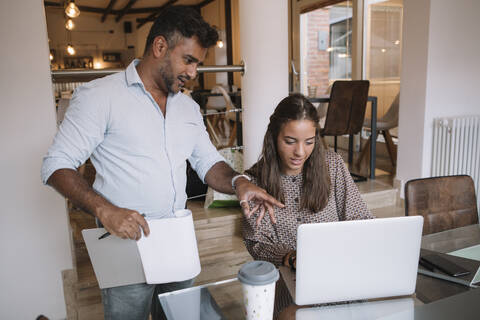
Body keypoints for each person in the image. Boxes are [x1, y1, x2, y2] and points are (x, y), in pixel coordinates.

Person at [41, 6, 282, 320]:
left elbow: (208, 162)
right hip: (123, 241)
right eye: (189, 60)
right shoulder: (100, 96)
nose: (194, 72)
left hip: (176, 239)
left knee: (182, 316)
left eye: (198, 63)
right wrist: (104, 210)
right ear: (159, 47)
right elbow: (56, 165)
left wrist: (240, 183)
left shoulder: (188, 106)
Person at [242, 93, 374, 315]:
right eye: (290, 141)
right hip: (288, 279)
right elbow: (257, 244)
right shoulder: (255, 182)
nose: (300, 152)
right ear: (274, 137)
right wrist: (290, 257)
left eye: (309, 142)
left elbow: (360, 217)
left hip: (340, 273)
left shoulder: (332, 165)